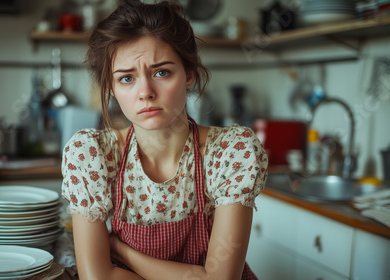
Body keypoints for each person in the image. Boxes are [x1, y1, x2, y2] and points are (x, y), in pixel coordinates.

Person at [61, 1, 268, 279]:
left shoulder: (231, 152)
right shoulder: (93, 155)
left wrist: (121, 252)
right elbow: (98, 277)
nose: (145, 91)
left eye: (161, 72)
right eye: (126, 79)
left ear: (189, 75)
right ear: (110, 87)